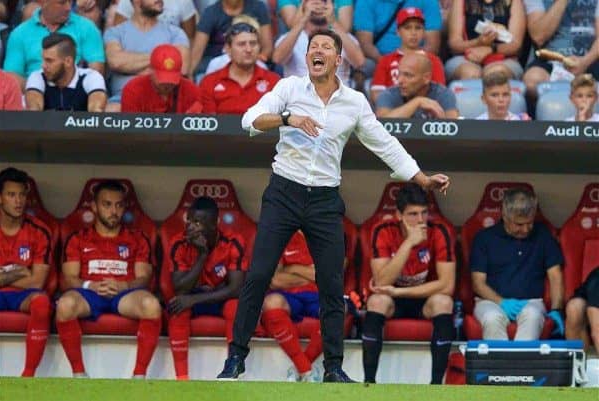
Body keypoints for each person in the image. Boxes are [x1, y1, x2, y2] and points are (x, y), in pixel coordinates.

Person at [217, 29, 450, 383]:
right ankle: (235, 360)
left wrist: (420, 178)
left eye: (326, 47)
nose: (318, 51)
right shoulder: (289, 89)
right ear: (307, 56)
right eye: (313, 47)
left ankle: (333, 368)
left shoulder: (354, 102)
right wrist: (287, 118)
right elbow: (251, 120)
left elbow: (384, 144)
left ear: (338, 60)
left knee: (331, 283)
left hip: (325, 198)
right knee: (260, 274)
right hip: (284, 191)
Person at [55, 180, 161, 378]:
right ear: (94, 207)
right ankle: (79, 375)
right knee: (65, 305)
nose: (114, 211)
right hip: (88, 294)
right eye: (107, 204)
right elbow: (68, 278)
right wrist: (91, 285)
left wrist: (124, 285)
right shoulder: (78, 238)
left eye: (119, 205)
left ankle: (139, 376)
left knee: (151, 305)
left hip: (124, 294)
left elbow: (144, 277)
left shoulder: (138, 238)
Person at [362, 183, 455, 384]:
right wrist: (409, 243)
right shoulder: (382, 230)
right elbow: (381, 281)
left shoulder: (439, 230)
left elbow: (447, 285)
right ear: (399, 215)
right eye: (413, 214)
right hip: (392, 300)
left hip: (423, 299)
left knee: (444, 302)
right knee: (377, 301)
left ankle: (436, 386)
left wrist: (398, 292)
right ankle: (368, 383)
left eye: (424, 213)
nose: (420, 220)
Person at [165, 196, 248, 381]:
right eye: (190, 221)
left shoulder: (233, 241)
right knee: (177, 307)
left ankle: (232, 368)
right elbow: (180, 288)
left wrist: (193, 300)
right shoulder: (179, 242)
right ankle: (182, 378)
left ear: (214, 224)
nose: (191, 227)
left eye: (198, 223)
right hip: (194, 295)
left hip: (221, 296)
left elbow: (236, 289)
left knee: (235, 307)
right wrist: (202, 255)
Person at [470, 187, 565, 340]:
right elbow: (477, 283)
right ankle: (500, 365)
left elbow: (555, 275)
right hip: (490, 302)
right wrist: (502, 302)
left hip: (532, 302)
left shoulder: (543, 236)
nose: (526, 229)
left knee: (533, 316)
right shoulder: (484, 238)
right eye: (519, 224)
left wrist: (556, 309)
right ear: (505, 216)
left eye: (530, 223)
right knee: (492, 318)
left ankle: (522, 364)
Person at [0, 167, 52, 377]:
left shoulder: (39, 231)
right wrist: (18, 272)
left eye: (22, 195)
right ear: (0, 198)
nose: (18, 201)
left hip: (23, 297)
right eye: (11, 195)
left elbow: (37, 282)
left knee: (41, 302)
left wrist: (2, 274)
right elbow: (28, 277)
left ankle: (29, 375)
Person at [103, 0, 190, 111]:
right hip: (122, 100)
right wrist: (161, 62)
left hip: (164, 97)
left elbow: (183, 67)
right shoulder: (115, 33)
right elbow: (116, 61)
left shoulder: (176, 33)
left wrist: (129, 66)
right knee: (110, 111)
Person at [262, 230, 323, 382]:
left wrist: (292, 268)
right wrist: (311, 274)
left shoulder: (331, 232)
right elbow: (274, 280)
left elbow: (332, 275)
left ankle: (300, 369)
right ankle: (305, 369)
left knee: (339, 310)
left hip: (320, 295)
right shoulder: (281, 234)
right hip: (289, 295)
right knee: (271, 303)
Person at [3, 0, 105, 88]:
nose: (68, 8)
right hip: (32, 96)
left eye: (70, 2)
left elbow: (97, 71)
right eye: (62, 3)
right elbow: (12, 77)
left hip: (77, 95)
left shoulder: (87, 27)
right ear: (43, 2)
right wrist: (39, 90)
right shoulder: (20, 33)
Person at [271, 0, 364, 86]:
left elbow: (359, 62)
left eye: (324, 1)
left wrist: (333, 21)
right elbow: (277, 59)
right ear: (303, 5)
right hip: (299, 98)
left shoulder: (343, 36)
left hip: (338, 98)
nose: (319, 5)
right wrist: (303, 18)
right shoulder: (291, 37)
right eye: (313, 2)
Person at [522, 0, 599, 102]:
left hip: (590, 59)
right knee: (532, 79)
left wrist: (585, 62)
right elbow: (539, 37)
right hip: (551, 60)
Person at [198, 22, 280, 114]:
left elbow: (278, 121)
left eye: (253, 43)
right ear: (228, 49)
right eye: (241, 44)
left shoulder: (274, 81)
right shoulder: (210, 82)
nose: (249, 49)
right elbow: (209, 123)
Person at [370, 7, 446, 104]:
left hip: (425, 112)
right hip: (393, 113)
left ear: (423, 32)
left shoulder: (433, 60)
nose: (413, 33)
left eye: (418, 28)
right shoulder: (386, 60)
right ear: (398, 32)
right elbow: (376, 93)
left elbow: (440, 93)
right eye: (407, 28)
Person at [446, 0, 526, 81]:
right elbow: (454, 44)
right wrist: (478, 42)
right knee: (470, 73)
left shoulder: (513, 1)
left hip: (504, 58)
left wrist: (491, 49)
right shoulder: (460, 1)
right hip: (465, 56)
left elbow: (516, 45)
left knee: (496, 73)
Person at [190, 0, 272, 78]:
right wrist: (189, 75)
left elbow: (267, 48)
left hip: (252, 59)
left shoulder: (258, 7)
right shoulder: (210, 12)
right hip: (217, 60)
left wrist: (252, 58)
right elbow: (197, 51)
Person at [25, 33, 107, 112]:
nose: (43, 66)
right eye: (43, 60)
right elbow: (33, 112)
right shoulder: (38, 76)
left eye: (49, 61)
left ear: (68, 61)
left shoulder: (91, 77)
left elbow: (96, 114)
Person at [121, 44, 203, 114]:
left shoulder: (192, 91)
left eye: (172, 80)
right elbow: (130, 129)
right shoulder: (133, 90)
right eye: (162, 79)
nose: (167, 84)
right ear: (150, 69)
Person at [376, 53, 459, 119]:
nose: (400, 81)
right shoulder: (388, 94)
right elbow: (382, 124)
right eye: (399, 74)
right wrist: (417, 102)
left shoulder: (443, 94)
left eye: (408, 75)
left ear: (426, 78)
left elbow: (453, 126)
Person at [114, 0, 197, 41]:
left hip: (170, 60)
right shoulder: (127, 2)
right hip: (134, 50)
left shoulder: (183, 1)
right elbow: (117, 36)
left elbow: (190, 39)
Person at [565, 267, 599, 351]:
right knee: (574, 308)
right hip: (590, 314)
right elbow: (597, 329)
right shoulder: (596, 281)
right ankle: (580, 359)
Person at [278, 0, 353, 32]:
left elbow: (345, 29)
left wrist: (331, 18)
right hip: (299, 41)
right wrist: (305, 3)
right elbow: (292, 27)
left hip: (334, 39)